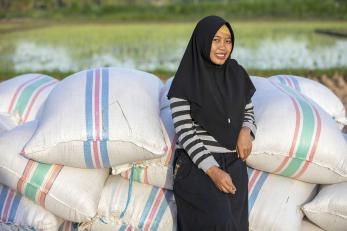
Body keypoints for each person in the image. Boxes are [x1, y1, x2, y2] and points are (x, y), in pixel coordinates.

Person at [167, 15, 256, 231]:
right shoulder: (185, 80)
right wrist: (213, 170)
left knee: (236, 225)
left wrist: (246, 131)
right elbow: (185, 132)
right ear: (203, 41)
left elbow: (249, 112)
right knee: (219, 222)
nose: (222, 47)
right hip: (196, 165)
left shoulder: (236, 73)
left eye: (228, 40)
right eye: (216, 40)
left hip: (233, 162)